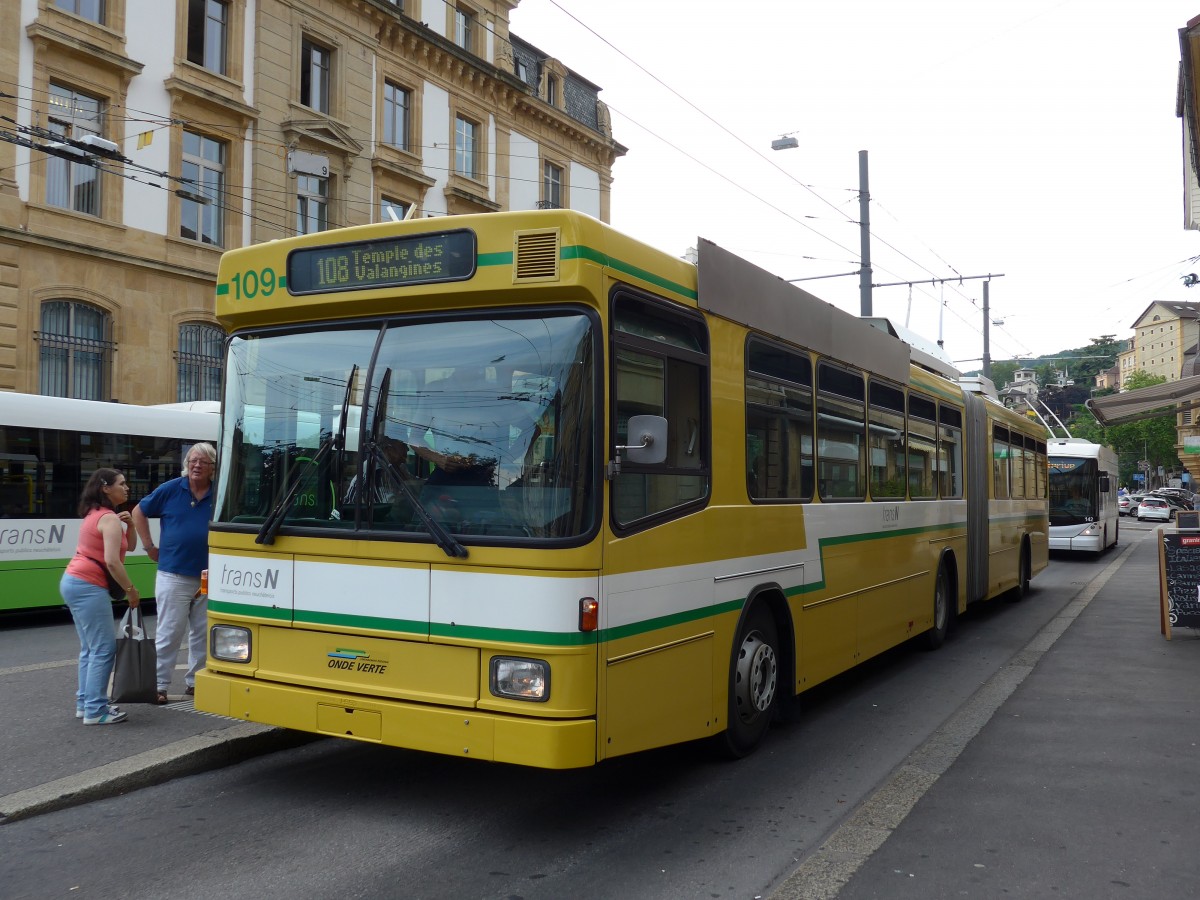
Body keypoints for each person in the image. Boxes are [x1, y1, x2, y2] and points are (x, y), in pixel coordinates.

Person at [132, 442, 216, 705]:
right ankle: (159, 685)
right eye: (193, 461)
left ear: (213, 468)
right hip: (174, 574)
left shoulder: (219, 492)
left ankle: (196, 681)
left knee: (202, 632)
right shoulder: (171, 489)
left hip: (208, 574)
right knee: (170, 631)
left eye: (203, 461)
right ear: (186, 464)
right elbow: (139, 512)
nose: (197, 465)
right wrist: (148, 546)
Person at [60, 467, 140, 725]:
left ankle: (85, 704)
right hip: (88, 585)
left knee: (90, 648)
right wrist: (131, 590)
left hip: (74, 581)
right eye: (122, 483)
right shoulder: (108, 519)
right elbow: (113, 562)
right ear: (106, 488)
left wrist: (131, 525)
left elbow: (131, 546)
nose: (126, 488)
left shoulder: (98, 515)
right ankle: (96, 710)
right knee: (104, 649)